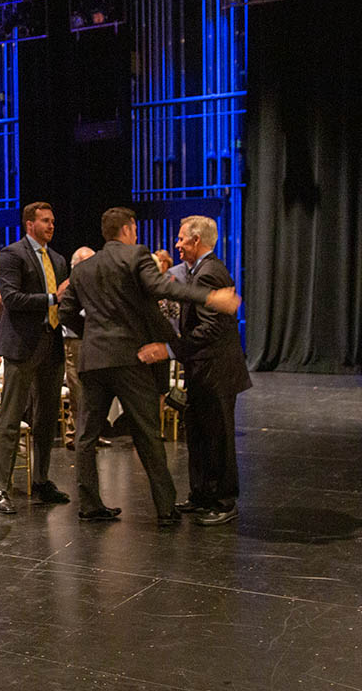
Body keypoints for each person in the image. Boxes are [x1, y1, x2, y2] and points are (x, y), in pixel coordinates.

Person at [58, 207, 240, 524]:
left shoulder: (83, 268)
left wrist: (93, 336)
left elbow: (66, 313)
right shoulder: (135, 255)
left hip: (93, 359)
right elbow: (162, 288)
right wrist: (210, 298)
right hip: (131, 358)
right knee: (147, 433)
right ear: (128, 229)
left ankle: (90, 505)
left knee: (86, 438)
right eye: (136, 230)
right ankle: (165, 509)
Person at [0, 202, 70, 515]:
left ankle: (41, 479)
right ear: (29, 223)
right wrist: (53, 298)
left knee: (46, 419)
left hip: (51, 344)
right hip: (22, 346)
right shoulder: (12, 254)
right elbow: (12, 299)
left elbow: (63, 301)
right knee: (10, 418)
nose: (51, 226)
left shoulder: (58, 260)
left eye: (52, 221)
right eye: (45, 221)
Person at [168, 216, 252, 526]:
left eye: (180, 239)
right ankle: (201, 494)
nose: (177, 245)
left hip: (215, 371)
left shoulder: (208, 274)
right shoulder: (201, 271)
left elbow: (213, 327)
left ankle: (224, 500)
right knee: (200, 434)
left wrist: (170, 348)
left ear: (196, 241)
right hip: (203, 370)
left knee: (217, 437)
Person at [62, 246, 96, 449]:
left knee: (91, 390)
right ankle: (75, 435)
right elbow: (67, 315)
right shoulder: (69, 286)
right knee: (77, 390)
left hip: (92, 340)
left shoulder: (94, 284)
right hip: (75, 341)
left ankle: (88, 432)